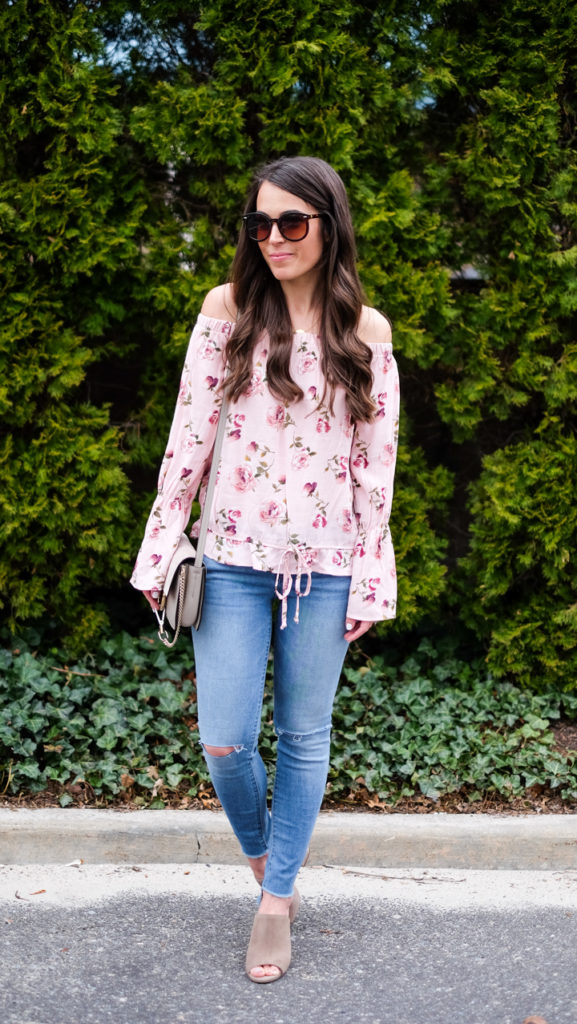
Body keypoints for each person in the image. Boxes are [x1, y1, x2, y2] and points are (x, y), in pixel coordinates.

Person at [131, 155, 400, 983]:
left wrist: (370, 573)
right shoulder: (227, 311)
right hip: (233, 560)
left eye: (291, 222)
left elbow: (372, 467)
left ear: (328, 224)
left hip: (324, 566)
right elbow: (189, 436)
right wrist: (162, 541)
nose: (272, 237)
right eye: (259, 223)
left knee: (305, 737)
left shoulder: (367, 330)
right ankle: (264, 863)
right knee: (224, 741)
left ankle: (275, 902)